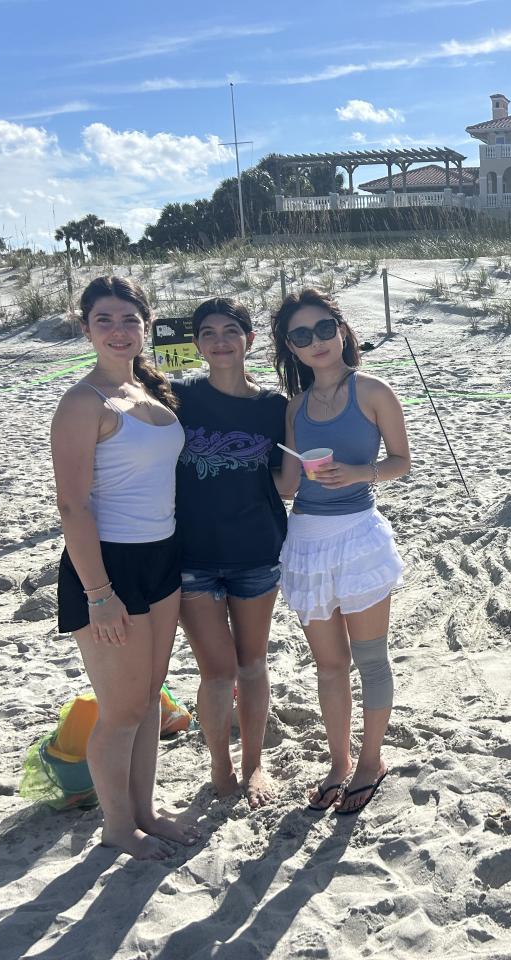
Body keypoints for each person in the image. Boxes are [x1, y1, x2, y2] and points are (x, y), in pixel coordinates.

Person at [50, 276, 199, 859]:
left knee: (150, 698)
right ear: (85, 328)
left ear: (146, 325)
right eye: (104, 320)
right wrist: (98, 592)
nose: (118, 331)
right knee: (121, 711)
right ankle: (117, 825)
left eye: (129, 319)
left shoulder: (148, 391)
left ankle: (145, 810)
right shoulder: (83, 402)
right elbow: (72, 506)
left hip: (162, 555)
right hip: (108, 564)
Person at [271, 289, 410, 815]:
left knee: (371, 659)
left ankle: (371, 761)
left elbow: (401, 461)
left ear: (342, 329)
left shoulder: (372, 390)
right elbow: (289, 486)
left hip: (358, 538)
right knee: (329, 666)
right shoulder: (296, 406)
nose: (317, 342)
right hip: (306, 542)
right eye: (302, 335)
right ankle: (339, 762)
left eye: (325, 328)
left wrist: (358, 473)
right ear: (291, 347)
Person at [173, 298, 287, 808]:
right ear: (197, 343)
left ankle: (254, 762)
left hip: (257, 551)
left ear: (249, 340)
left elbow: (287, 480)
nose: (220, 341)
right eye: (208, 333)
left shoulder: (274, 407)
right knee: (216, 672)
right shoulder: (175, 397)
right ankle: (220, 764)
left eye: (230, 331)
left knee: (253, 663)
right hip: (191, 556)